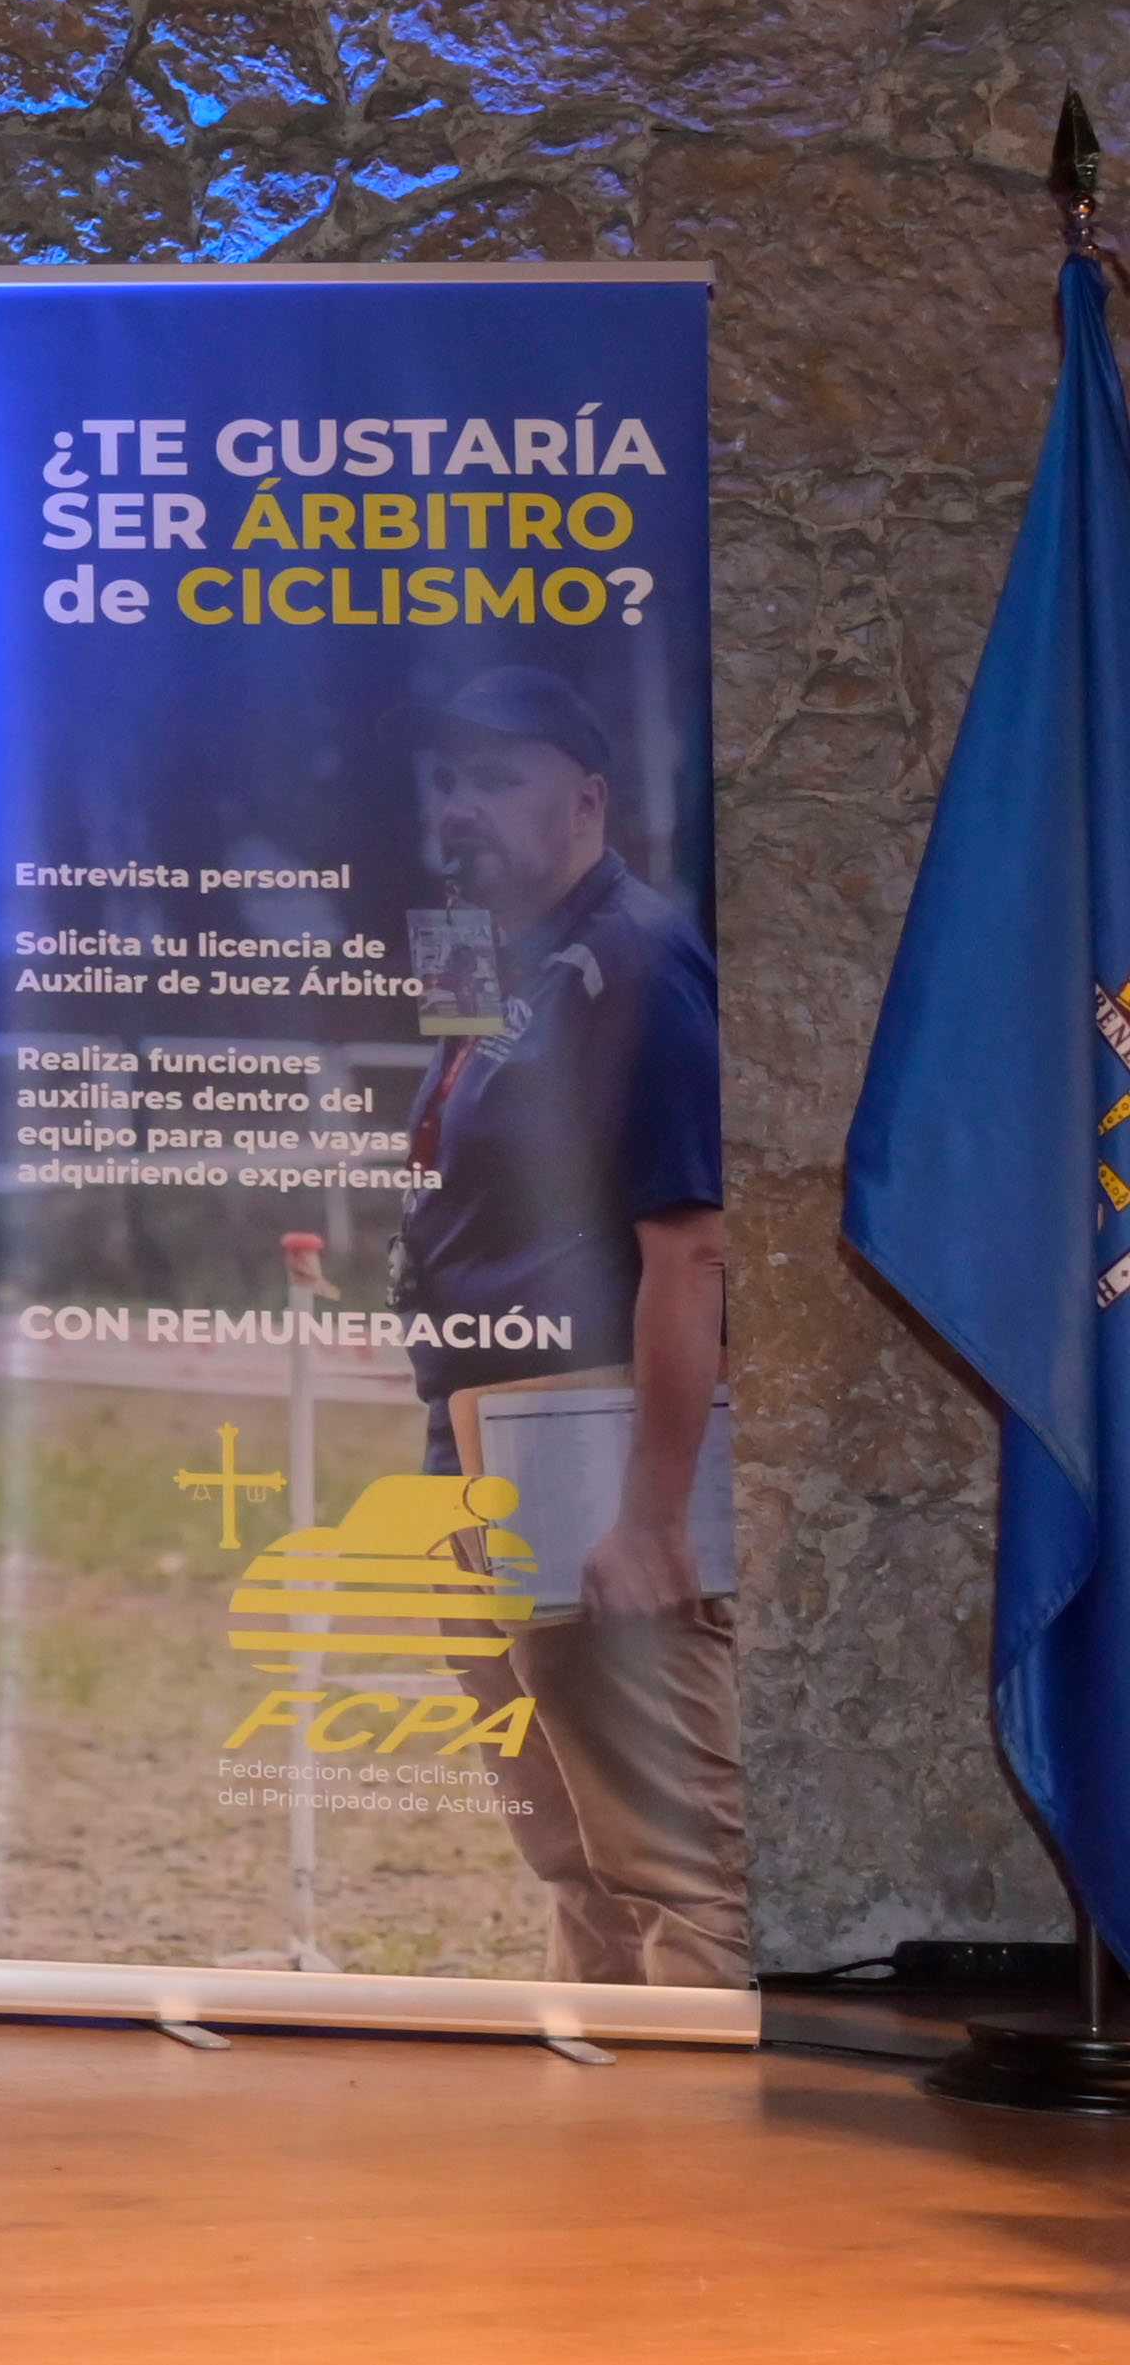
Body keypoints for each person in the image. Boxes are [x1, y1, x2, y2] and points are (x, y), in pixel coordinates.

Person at [396, 663, 740, 1987]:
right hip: (475, 1429)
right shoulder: (494, 956)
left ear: (587, 798)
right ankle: (597, 2153)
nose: (460, 806)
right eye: (448, 779)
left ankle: (688, 2174)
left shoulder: (640, 965)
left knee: (671, 1862)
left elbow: (692, 1249)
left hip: (580, 1430)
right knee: (567, 1847)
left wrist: (650, 1515)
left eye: (498, 776)